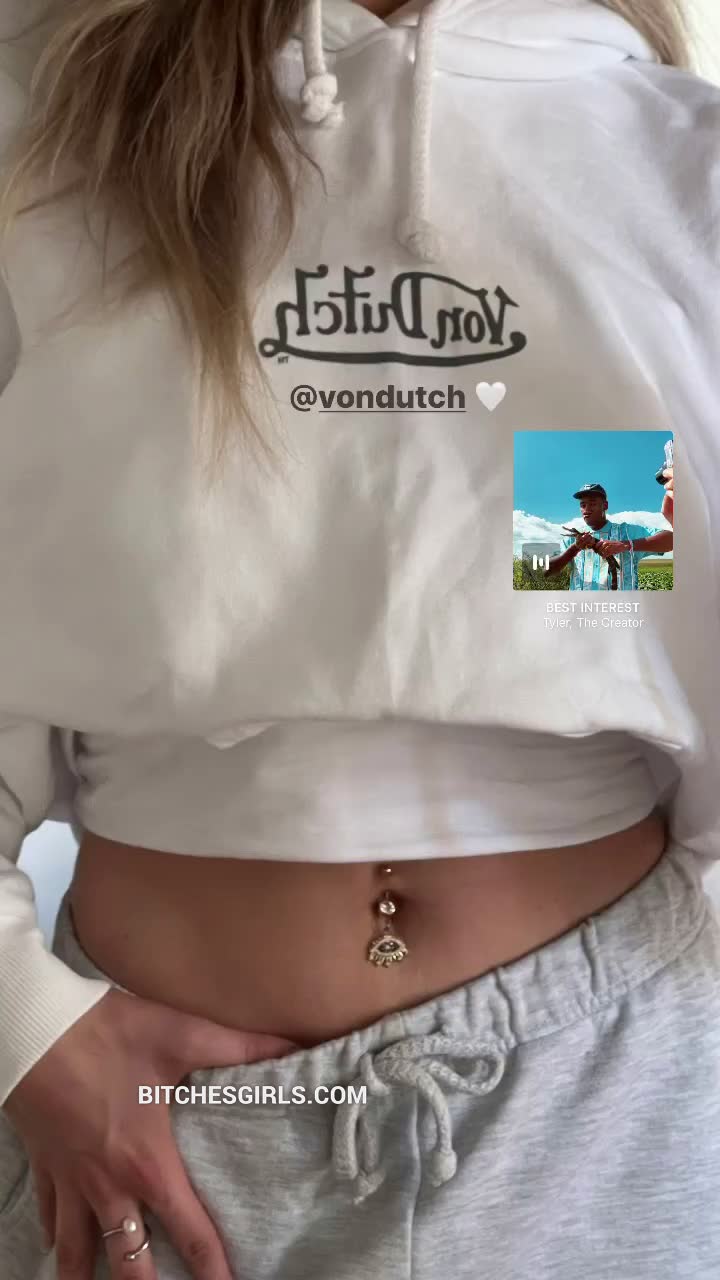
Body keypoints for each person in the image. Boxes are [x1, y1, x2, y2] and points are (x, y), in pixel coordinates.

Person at [0, 2, 719, 1279]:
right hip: (150, 1127)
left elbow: (640, 621)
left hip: (604, 1103)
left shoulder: (670, 157)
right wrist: (23, 1032)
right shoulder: (54, 127)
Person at [545, 481, 673, 589]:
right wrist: (574, 549)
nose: (586, 509)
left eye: (592, 503)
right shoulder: (571, 540)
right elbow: (547, 571)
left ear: (605, 506)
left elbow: (671, 540)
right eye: (583, 505)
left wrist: (625, 545)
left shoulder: (627, 532)